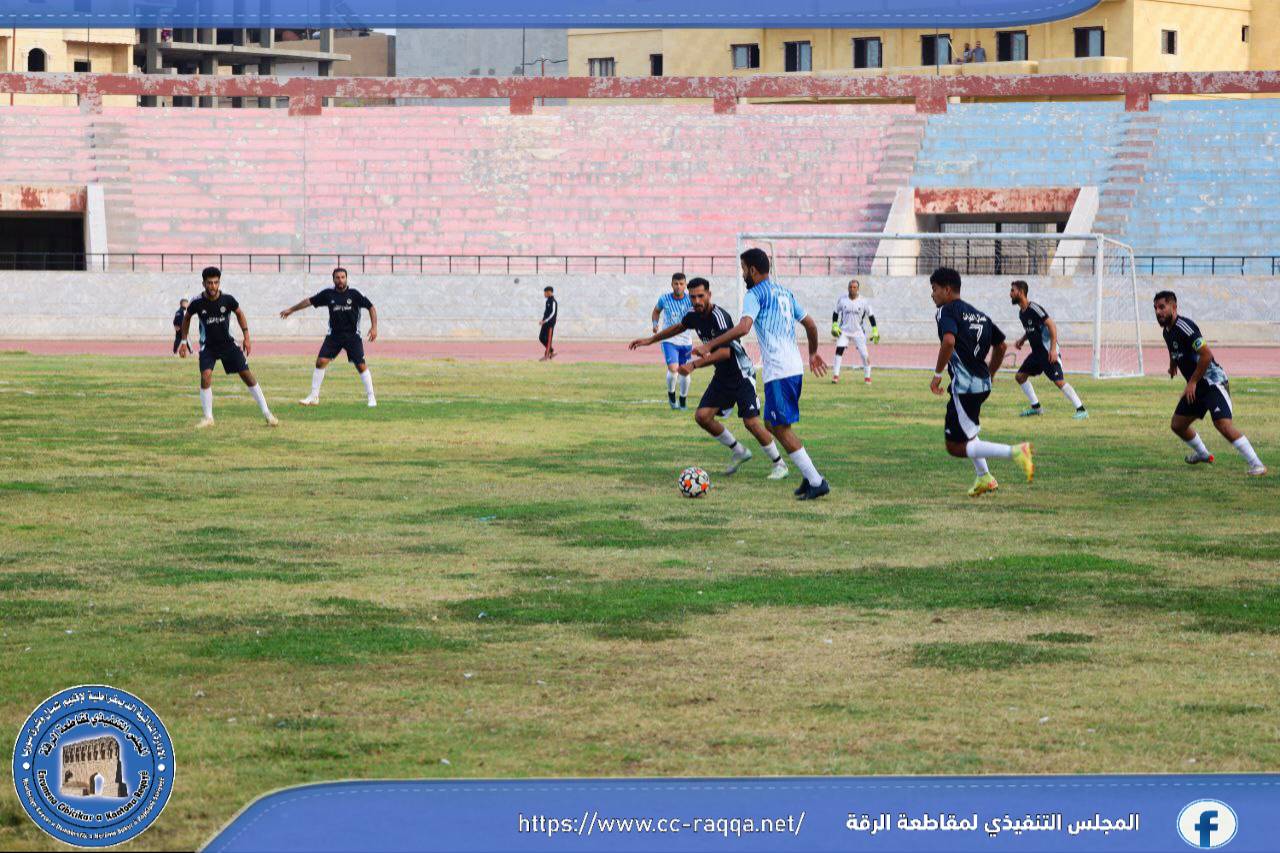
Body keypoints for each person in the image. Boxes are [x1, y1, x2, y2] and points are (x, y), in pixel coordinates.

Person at [694, 248, 830, 500]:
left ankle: (816, 481)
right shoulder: (785, 292)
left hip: (779, 369)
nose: (742, 274)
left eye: (743, 269)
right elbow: (810, 324)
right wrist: (812, 353)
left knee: (779, 427)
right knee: (772, 424)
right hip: (792, 367)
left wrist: (709, 344)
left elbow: (743, 328)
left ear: (753, 270)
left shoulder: (754, 294)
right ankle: (808, 474)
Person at [630, 277, 789, 479]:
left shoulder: (719, 317)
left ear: (709, 295)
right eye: (693, 297)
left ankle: (780, 464)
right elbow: (678, 327)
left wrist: (693, 365)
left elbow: (725, 353)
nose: (696, 301)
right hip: (722, 375)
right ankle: (739, 451)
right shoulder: (693, 314)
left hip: (741, 374)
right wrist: (650, 340)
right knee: (703, 416)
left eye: (700, 296)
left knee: (751, 422)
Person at [929, 267, 1032, 497]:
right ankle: (985, 477)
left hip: (965, 387)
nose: (932, 294)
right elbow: (1001, 345)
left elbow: (948, 341)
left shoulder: (945, 311)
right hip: (982, 384)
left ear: (947, 290)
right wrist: (991, 373)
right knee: (969, 432)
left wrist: (937, 375)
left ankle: (1015, 452)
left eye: (934, 289)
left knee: (955, 446)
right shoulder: (979, 314)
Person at [1154, 290, 1266, 475]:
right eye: (1156, 308)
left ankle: (1257, 465)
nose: (1158, 312)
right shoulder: (1167, 331)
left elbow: (1206, 355)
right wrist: (1172, 365)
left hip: (1213, 382)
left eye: (1162, 307)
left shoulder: (1185, 327)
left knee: (1223, 424)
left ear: (1174, 307)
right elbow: (1173, 349)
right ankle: (1203, 454)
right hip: (1197, 385)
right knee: (1178, 425)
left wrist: (1192, 382)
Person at [178, 267, 278, 429]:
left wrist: (246, 337)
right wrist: (184, 341)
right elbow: (187, 318)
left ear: (219, 283)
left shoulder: (228, 300)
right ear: (203, 283)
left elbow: (240, 314)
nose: (213, 286)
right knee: (205, 376)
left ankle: (268, 414)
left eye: (216, 282)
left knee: (247, 375)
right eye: (209, 283)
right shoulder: (197, 302)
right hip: (208, 346)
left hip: (229, 344)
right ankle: (208, 418)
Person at [279, 267, 378, 407]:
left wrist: (374, 327)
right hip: (334, 336)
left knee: (360, 365)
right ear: (333, 279)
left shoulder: (354, 294)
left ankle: (371, 398)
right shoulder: (328, 294)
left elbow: (371, 307)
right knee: (320, 362)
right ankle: (314, 397)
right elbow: (309, 301)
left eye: (343, 277)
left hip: (352, 336)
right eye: (337, 277)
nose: (340, 280)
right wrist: (291, 310)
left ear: (346, 278)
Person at [1009, 280, 1087, 419]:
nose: (1010, 294)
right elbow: (1031, 329)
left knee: (1058, 381)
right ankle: (1036, 408)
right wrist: (1022, 340)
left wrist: (1053, 350)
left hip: (1047, 351)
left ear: (1020, 292)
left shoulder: (1034, 308)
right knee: (1020, 376)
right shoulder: (1022, 313)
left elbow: (1051, 325)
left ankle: (1081, 410)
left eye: (1012, 291)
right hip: (1036, 354)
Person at [652, 273, 693, 409]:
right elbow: (656, 311)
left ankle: (683, 400)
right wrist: (655, 324)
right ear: (672, 284)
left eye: (681, 284)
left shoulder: (691, 300)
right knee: (673, 368)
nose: (678, 286)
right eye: (676, 283)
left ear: (685, 285)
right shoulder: (664, 299)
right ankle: (671, 396)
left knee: (684, 371)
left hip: (686, 341)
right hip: (668, 339)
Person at [830, 279, 879, 384]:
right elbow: (835, 313)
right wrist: (834, 325)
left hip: (858, 332)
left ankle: (867, 377)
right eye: (850, 287)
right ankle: (835, 376)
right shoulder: (842, 300)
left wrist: (875, 330)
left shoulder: (863, 301)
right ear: (848, 288)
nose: (852, 289)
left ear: (858, 289)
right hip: (844, 331)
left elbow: (871, 316)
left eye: (854, 287)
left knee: (864, 355)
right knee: (839, 350)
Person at [539, 286, 558, 360]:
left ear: (549, 292)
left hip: (550, 324)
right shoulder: (547, 301)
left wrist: (545, 320)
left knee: (549, 339)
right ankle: (552, 351)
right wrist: (543, 320)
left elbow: (553, 313)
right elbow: (546, 312)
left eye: (545, 293)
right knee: (541, 338)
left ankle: (546, 356)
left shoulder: (553, 301)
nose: (544, 294)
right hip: (545, 322)